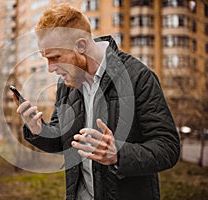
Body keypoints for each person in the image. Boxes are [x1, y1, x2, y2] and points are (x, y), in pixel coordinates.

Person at [12, 3, 180, 200]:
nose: (50, 68)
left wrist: (118, 153)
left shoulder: (139, 77)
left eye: (55, 57)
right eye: (46, 58)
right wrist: (38, 129)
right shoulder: (67, 84)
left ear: (81, 45)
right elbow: (63, 140)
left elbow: (168, 147)